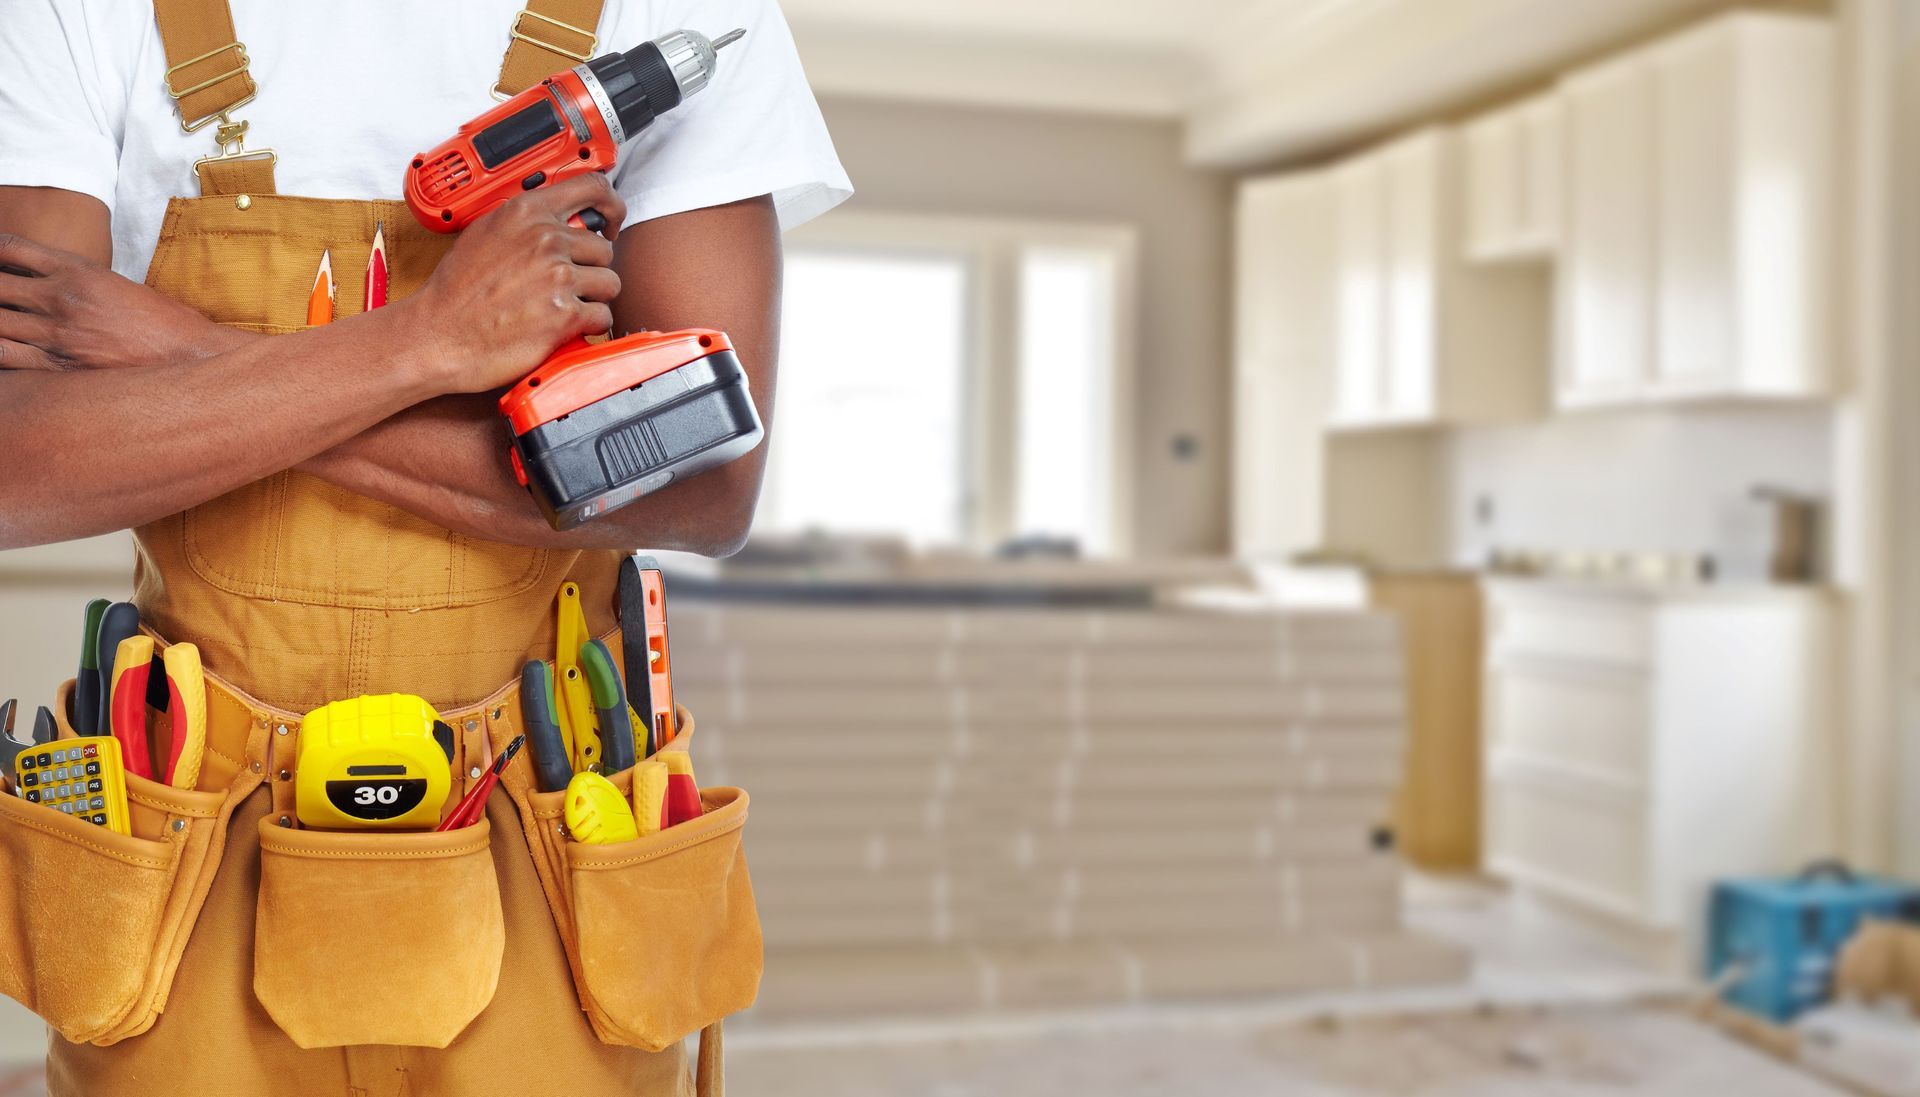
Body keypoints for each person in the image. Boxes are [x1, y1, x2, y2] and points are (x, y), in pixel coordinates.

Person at [0, 1, 850, 1094]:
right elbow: (20, 466)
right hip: (193, 846)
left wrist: (183, 354)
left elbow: (702, 481)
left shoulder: (676, 11)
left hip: (549, 821)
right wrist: (423, 344)